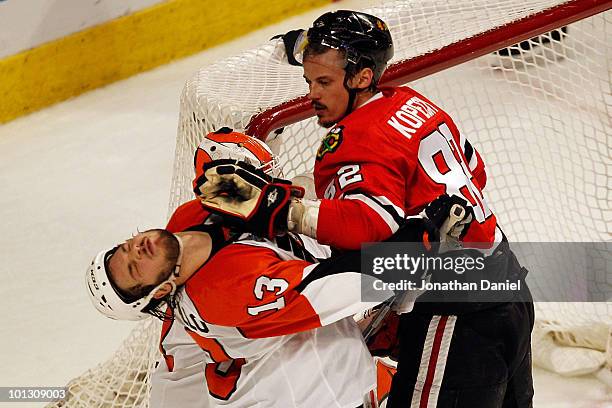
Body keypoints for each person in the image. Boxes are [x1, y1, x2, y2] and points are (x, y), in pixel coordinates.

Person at [196, 10, 534, 408]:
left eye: (324, 82)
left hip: (456, 315)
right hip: (509, 287)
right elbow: (474, 171)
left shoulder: (353, 140)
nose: (312, 95)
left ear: (361, 77)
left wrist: (284, 211)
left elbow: (369, 223)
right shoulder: (412, 102)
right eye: (309, 81)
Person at [87, 130, 440, 408]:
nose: (136, 250)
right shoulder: (225, 292)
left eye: (123, 249)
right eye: (135, 269)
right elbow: (342, 285)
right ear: (162, 290)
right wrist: (413, 244)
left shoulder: (188, 217)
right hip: (316, 398)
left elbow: (276, 201)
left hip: (308, 374)